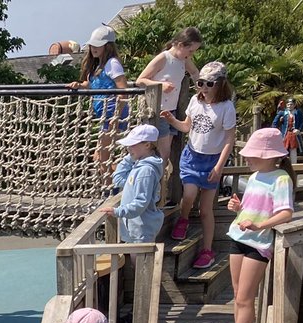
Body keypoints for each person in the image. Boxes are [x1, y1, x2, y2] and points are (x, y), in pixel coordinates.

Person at [225, 128, 295, 323]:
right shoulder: (254, 177)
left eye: (251, 154)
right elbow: (250, 209)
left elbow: (285, 213)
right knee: (238, 295)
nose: (247, 157)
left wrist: (260, 226)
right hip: (239, 237)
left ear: (267, 155)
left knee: (245, 297)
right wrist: (237, 208)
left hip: (259, 243)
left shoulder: (281, 178)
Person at [163, 61, 237, 270]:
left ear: (220, 84)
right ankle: (183, 218)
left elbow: (229, 140)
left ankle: (207, 250)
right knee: (188, 195)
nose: (204, 88)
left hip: (212, 160)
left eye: (209, 84)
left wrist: (219, 167)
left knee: (206, 210)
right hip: (192, 157)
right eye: (201, 83)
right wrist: (171, 120)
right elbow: (186, 127)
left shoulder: (226, 107)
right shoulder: (196, 101)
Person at [134, 26, 203, 166]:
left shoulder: (183, 60)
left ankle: (160, 184)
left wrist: (201, 90)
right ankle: (157, 184)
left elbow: (195, 73)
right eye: (190, 51)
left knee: (165, 155)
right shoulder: (163, 58)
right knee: (163, 155)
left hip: (171, 111)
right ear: (180, 45)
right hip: (158, 111)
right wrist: (160, 85)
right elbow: (140, 80)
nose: (191, 55)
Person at [70, 26, 129, 163]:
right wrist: (80, 85)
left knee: (102, 158)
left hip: (114, 115)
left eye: (98, 45)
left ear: (107, 47)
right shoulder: (98, 65)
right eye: (92, 45)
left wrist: (116, 116)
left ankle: (122, 182)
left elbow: (123, 91)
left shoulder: (112, 63)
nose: (93, 48)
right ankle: (118, 182)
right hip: (105, 116)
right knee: (98, 158)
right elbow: (92, 84)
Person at [98, 123, 164, 243]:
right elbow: (118, 179)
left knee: (140, 261)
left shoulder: (146, 171)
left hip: (142, 229)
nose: (128, 148)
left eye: (132, 145)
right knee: (135, 260)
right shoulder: (138, 165)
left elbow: (141, 202)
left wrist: (118, 212)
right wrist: (130, 157)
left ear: (147, 145)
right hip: (135, 228)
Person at [272, 97, 303, 163]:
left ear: (294, 105)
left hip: (294, 135)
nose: (290, 106)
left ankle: (294, 167)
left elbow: (302, 123)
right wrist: (276, 131)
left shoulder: (298, 113)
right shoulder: (282, 113)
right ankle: (283, 166)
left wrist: (299, 130)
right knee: (283, 150)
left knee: (293, 150)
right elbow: (274, 123)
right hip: (285, 134)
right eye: (288, 104)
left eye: (291, 104)